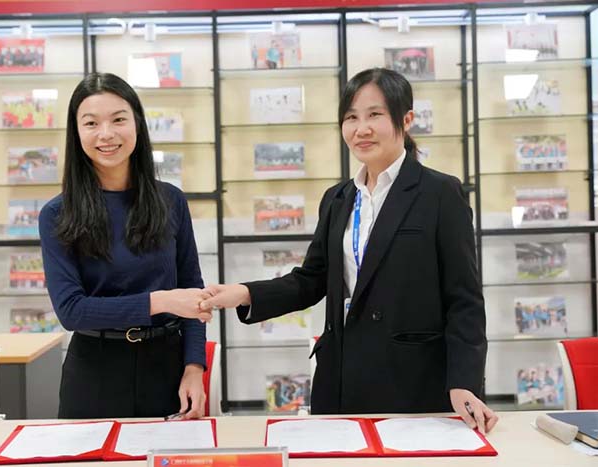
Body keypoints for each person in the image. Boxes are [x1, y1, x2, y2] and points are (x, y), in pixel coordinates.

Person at [201, 68, 498, 433]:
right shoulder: (338, 198)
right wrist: (245, 293)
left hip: (413, 381)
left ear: (406, 119)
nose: (361, 129)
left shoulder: (440, 193)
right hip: (341, 379)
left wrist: (464, 381)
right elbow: (311, 280)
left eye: (375, 115)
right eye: (351, 118)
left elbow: (464, 299)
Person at [39, 72, 212, 420]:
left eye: (118, 119)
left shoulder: (171, 201)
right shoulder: (57, 214)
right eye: (91, 123)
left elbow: (193, 290)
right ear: (77, 132)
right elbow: (72, 311)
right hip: (94, 374)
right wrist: (162, 301)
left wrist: (195, 367)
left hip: (167, 370)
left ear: (137, 124)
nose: (106, 134)